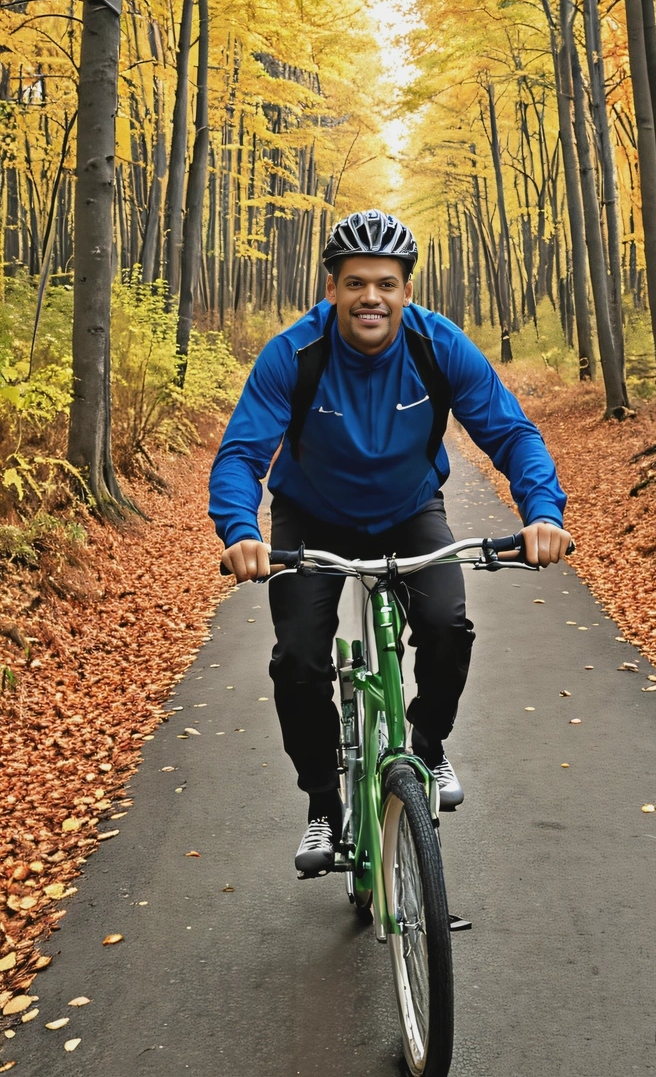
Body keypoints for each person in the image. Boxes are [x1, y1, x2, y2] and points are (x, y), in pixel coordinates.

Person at [209, 209, 570, 875]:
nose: (369, 297)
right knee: (299, 662)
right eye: (354, 283)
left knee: (446, 625)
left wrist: (542, 513)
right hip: (311, 518)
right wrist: (240, 530)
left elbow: (512, 434)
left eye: (385, 283)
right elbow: (240, 455)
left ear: (406, 290)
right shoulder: (294, 354)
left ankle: (427, 746)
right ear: (332, 289)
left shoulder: (438, 346)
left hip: (408, 511)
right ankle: (324, 803)